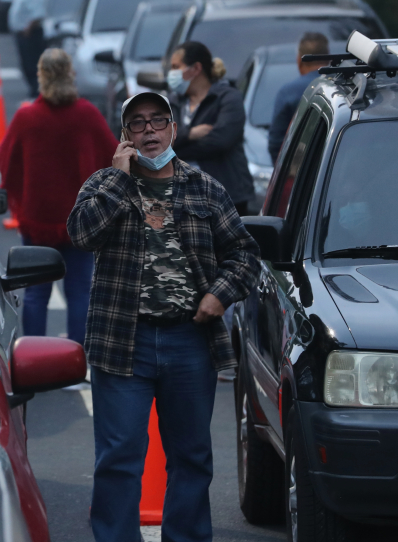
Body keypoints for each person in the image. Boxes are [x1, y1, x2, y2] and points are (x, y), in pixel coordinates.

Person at [68, 90, 259, 542]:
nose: (149, 130)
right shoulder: (102, 185)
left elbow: (245, 255)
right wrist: (118, 180)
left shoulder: (205, 188)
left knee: (191, 457)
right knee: (119, 457)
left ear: (174, 129)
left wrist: (219, 294)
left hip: (189, 342)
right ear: (125, 136)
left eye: (158, 121)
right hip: (122, 343)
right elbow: (80, 235)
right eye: (138, 123)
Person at [0, 48, 117, 350]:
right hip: (81, 220)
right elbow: (112, 155)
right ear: (71, 75)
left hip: (37, 219)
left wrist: (21, 200)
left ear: (41, 75)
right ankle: (76, 360)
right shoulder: (87, 114)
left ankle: (35, 361)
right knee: (79, 290)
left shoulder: (27, 117)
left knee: (37, 291)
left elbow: (6, 161)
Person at [165, 41, 256, 214]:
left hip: (226, 198)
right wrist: (190, 134)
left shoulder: (228, 98)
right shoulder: (173, 102)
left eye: (177, 67)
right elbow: (160, 139)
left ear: (196, 68)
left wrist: (175, 149)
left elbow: (221, 140)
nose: (172, 73)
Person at [267, 32, 330, 161]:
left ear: (299, 60)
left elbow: (276, 144)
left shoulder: (288, 93)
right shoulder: (343, 88)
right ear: (329, 60)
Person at [8, 0, 48, 97]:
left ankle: (37, 91)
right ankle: (34, 89)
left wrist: (28, 28)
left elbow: (38, 12)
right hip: (24, 31)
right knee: (27, 63)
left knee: (33, 63)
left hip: (31, 33)